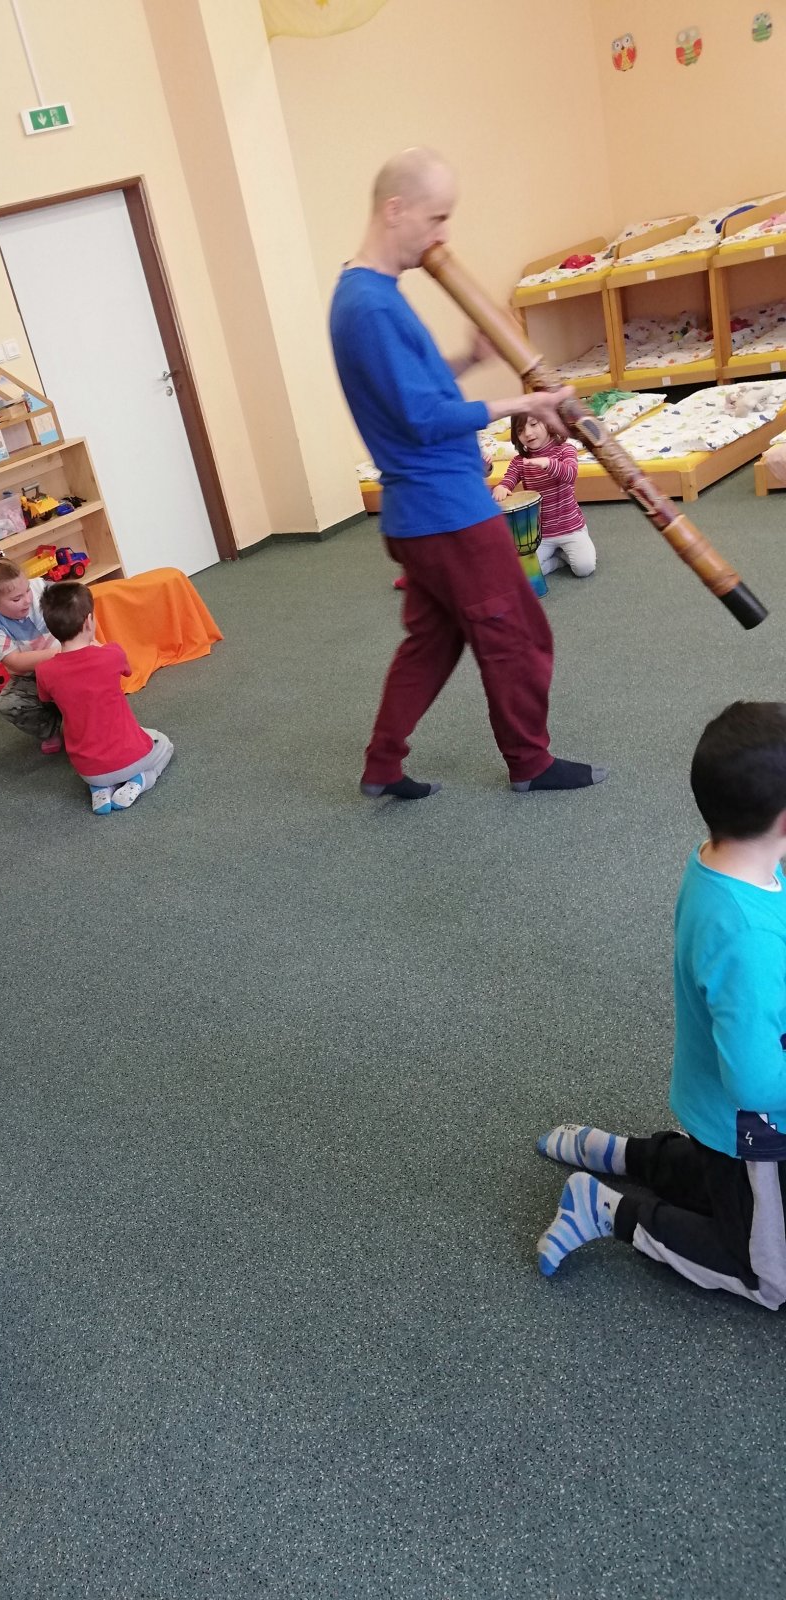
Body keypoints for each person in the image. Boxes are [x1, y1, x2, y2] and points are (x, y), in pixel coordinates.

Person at [329, 146, 605, 801]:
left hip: (421, 514)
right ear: (395, 210)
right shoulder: (369, 306)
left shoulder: (371, 295)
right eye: (437, 217)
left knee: (432, 641)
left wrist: (466, 359)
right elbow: (424, 419)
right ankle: (530, 762)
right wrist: (524, 403)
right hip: (445, 511)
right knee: (518, 634)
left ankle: (382, 766)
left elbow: (413, 395)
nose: (443, 234)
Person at [535, 702, 786, 1308]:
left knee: (719, 1177)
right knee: (771, 1275)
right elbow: (757, 1084)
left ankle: (625, 1154)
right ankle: (605, 1209)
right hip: (755, 1129)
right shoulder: (746, 938)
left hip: (712, 1108)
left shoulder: (725, 860)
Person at [35, 581, 174, 815]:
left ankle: (100, 789)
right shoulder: (111, 654)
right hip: (132, 758)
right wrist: (99, 648)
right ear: (89, 621)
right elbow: (126, 671)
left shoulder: (44, 671)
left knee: (115, 745)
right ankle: (141, 780)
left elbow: (46, 697)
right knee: (164, 744)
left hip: (88, 770)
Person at [0, 553, 63, 753]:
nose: (27, 600)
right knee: (10, 703)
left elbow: (78, 601)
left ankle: (82, 722)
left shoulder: (40, 588)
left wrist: (85, 642)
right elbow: (15, 661)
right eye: (16, 599)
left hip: (66, 665)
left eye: (27, 590)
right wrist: (60, 652)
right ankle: (50, 728)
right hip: (32, 675)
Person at [493, 415, 596, 578]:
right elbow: (509, 479)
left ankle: (567, 550)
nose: (528, 433)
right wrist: (502, 487)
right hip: (541, 534)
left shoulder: (565, 450)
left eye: (533, 424)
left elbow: (570, 474)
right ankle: (559, 560)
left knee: (585, 568)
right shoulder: (520, 461)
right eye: (520, 430)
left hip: (570, 527)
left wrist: (548, 463)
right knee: (525, 573)